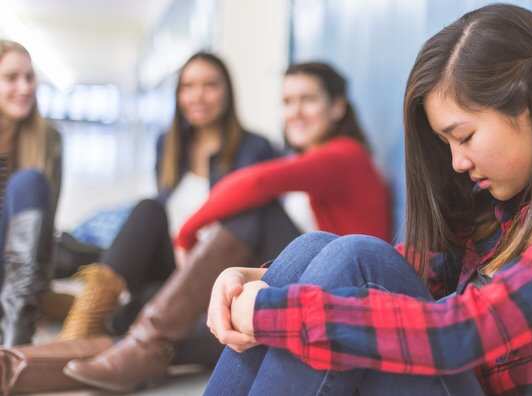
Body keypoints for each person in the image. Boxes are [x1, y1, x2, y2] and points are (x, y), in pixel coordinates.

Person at [202, 4, 532, 396]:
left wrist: (269, 311)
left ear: (530, 105)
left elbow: (461, 333)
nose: (457, 163)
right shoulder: (512, 202)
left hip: (465, 358)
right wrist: (260, 280)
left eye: (463, 136)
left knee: (352, 256)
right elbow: (414, 268)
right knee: (316, 249)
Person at [62, 61, 391, 393]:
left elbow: (256, 181)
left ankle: (143, 344)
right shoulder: (313, 161)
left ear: (337, 108)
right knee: (146, 313)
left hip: (339, 298)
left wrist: (187, 232)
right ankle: (114, 347)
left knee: (255, 212)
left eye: (307, 100)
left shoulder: (345, 156)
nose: (295, 112)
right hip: (303, 289)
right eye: (288, 102)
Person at [57, 51, 277, 341]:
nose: (198, 96)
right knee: (148, 209)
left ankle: (106, 322)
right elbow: (163, 209)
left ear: (227, 92)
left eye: (209, 85)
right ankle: (83, 323)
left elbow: (241, 225)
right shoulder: (169, 145)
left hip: (217, 271)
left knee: (133, 314)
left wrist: (187, 236)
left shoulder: (254, 148)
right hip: (171, 265)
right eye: (188, 86)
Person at [0, 40, 62, 347]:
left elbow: (45, 231)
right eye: (11, 78)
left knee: (29, 182)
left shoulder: (48, 139)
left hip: (22, 272)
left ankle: (15, 338)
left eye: (29, 77)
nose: (24, 87)